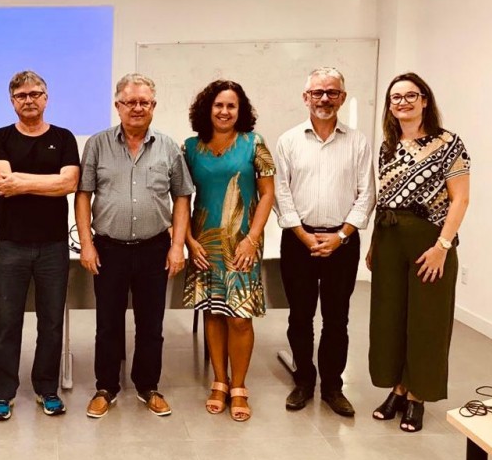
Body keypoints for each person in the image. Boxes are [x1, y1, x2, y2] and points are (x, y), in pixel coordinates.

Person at [76, 73, 194, 418]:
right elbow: (83, 195)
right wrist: (86, 244)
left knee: (151, 324)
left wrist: (177, 246)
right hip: (108, 248)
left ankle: (148, 386)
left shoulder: (168, 147)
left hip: (154, 248)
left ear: (153, 106)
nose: (137, 108)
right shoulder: (97, 144)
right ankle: (106, 387)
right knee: (107, 324)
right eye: (130, 102)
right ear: (118, 105)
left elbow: (182, 197)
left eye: (144, 102)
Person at [367, 72, 470, 432]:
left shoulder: (448, 143)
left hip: (430, 240)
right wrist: (374, 244)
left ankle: (417, 396)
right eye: (396, 97)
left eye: (411, 95)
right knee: (390, 317)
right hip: (389, 239)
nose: (403, 102)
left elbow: (460, 199)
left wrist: (443, 246)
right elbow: (384, 200)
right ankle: (397, 387)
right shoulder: (388, 146)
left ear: (425, 100)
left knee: (427, 320)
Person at [273, 66, 375, 417]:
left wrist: (341, 235)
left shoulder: (358, 142)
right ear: (306, 98)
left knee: (336, 318)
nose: (324, 99)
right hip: (297, 241)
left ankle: (332, 385)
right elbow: (281, 193)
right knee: (300, 316)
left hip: (342, 243)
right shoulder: (288, 141)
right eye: (317, 92)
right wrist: (302, 235)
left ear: (342, 98)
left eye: (332, 92)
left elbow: (367, 194)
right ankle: (303, 380)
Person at [0, 71, 79, 421]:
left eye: (35, 93)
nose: (29, 100)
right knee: (7, 324)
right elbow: (2, 182)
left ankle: (47, 389)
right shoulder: (0, 137)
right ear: (12, 101)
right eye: (22, 95)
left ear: (46, 98)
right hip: (11, 246)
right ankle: (3, 394)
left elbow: (69, 183)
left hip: (54, 247)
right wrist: (49, 182)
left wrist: (22, 183)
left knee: (51, 323)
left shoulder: (63, 137)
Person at [183, 80, 275, 421]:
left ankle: (239, 386)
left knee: (239, 317)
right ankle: (219, 382)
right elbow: (181, 198)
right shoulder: (190, 148)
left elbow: (267, 194)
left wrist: (253, 238)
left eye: (231, 106)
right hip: (204, 243)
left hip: (242, 244)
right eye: (218, 105)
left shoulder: (255, 143)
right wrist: (188, 241)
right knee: (213, 312)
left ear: (240, 110)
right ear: (207, 109)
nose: (224, 111)